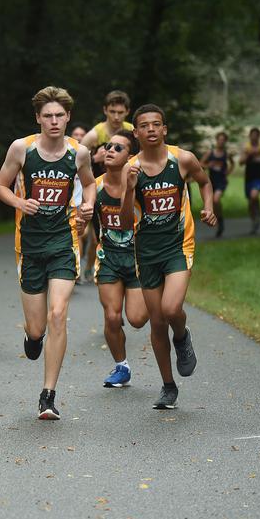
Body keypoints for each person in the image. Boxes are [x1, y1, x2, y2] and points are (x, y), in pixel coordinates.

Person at [0, 86, 96, 421]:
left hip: (63, 243)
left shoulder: (78, 152)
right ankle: (31, 335)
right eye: (47, 116)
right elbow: (0, 185)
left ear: (68, 118)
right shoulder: (21, 149)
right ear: (38, 118)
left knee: (58, 314)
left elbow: (90, 183)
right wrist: (19, 202)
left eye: (59, 116)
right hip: (30, 245)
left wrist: (88, 204)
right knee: (37, 328)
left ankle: (48, 395)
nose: (54, 121)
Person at [119, 104, 216, 410]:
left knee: (172, 308)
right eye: (144, 125)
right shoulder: (130, 168)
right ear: (136, 133)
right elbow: (123, 223)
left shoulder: (182, 159)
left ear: (164, 130)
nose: (150, 129)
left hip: (178, 245)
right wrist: (128, 190)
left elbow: (204, 181)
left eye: (156, 124)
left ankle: (183, 335)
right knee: (157, 322)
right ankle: (168, 386)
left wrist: (208, 206)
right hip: (146, 252)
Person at [92, 131, 149, 387]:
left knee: (136, 319)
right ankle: (121, 366)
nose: (110, 150)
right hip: (109, 258)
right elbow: (92, 225)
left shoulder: (142, 183)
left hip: (137, 259)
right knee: (113, 317)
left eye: (119, 147)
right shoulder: (94, 186)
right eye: (108, 146)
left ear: (131, 155)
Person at [200, 131, 234, 237]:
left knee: (216, 199)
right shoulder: (210, 153)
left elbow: (232, 163)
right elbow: (200, 164)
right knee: (214, 203)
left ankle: (220, 221)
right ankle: (220, 220)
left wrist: (228, 172)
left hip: (221, 181)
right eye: (219, 140)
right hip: (211, 181)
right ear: (216, 140)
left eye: (223, 140)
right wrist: (208, 165)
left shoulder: (226, 154)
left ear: (225, 142)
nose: (221, 142)